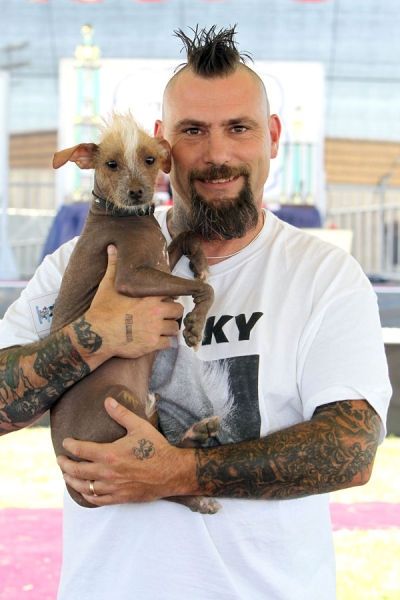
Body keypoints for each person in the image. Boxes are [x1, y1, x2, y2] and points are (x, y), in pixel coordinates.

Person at [0, 25, 392, 600]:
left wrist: (176, 472)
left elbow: (352, 450)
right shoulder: (75, 262)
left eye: (239, 128)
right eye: (193, 131)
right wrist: (91, 337)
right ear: (160, 144)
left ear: (273, 136)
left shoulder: (324, 277)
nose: (217, 154)